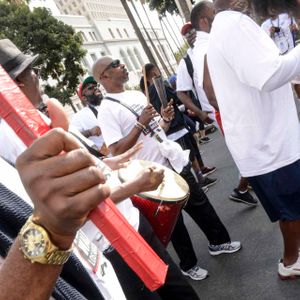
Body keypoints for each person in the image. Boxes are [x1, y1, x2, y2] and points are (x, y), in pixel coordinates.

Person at [0, 38, 200, 300]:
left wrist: (108, 163)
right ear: (16, 85)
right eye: (33, 71)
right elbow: (67, 205)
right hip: (109, 245)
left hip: (126, 224)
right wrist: (135, 185)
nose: (39, 76)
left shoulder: (39, 119)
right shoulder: (13, 138)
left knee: (179, 292)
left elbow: (80, 168)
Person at [93, 56, 242, 281]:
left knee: (199, 203)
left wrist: (164, 120)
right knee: (175, 223)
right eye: (115, 64)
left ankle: (219, 242)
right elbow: (115, 150)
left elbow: (155, 130)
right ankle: (188, 264)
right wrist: (141, 123)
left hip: (172, 160)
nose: (122, 64)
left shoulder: (135, 95)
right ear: (103, 76)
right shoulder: (107, 109)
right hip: (152, 174)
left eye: (120, 62)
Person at [207, 0, 300, 279]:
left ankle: (291, 260)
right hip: (268, 144)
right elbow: (268, 74)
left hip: (266, 142)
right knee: (292, 210)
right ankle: (290, 262)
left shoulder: (229, 25)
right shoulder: (233, 25)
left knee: (291, 208)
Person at [191, 0, 258, 207]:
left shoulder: (210, 42)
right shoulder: (205, 47)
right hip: (227, 112)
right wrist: (238, 114)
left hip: (229, 111)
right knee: (251, 152)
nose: (219, 15)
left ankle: (244, 187)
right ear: (204, 21)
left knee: (253, 153)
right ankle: (243, 188)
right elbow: (210, 93)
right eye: (214, 13)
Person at [142, 62, 218, 190]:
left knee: (188, 154)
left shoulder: (147, 94)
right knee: (187, 156)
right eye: (158, 69)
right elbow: (176, 97)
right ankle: (197, 182)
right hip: (175, 126)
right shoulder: (159, 87)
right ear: (154, 72)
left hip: (170, 127)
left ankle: (199, 178)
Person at [71, 76, 106, 153]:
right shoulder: (79, 116)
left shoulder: (110, 104)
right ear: (84, 98)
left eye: (96, 86)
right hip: (109, 158)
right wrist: (89, 132)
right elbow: (72, 137)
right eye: (90, 88)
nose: (96, 88)